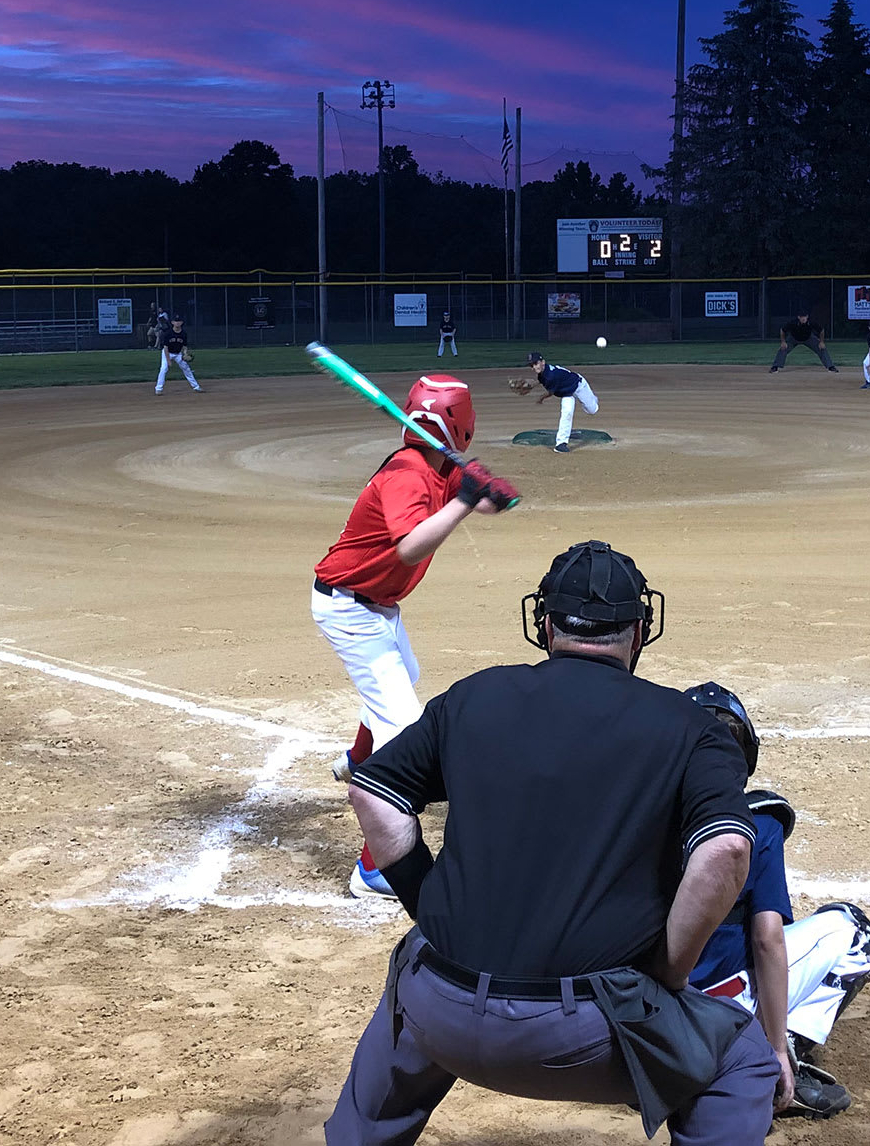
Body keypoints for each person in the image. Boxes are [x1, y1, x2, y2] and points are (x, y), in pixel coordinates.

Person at [329, 540, 781, 1144]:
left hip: (440, 1010)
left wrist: (429, 908)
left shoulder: (473, 696)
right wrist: (670, 973)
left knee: (411, 976)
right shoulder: (691, 728)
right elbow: (725, 850)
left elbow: (373, 792)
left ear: (543, 624)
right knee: (742, 1061)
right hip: (584, 1034)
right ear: (640, 630)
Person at [314, 375, 519, 897]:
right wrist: (464, 499)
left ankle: (358, 759)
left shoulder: (437, 463)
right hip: (350, 610)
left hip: (377, 607)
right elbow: (408, 547)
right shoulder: (408, 473)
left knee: (406, 678)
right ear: (462, 424)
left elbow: (479, 503)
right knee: (403, 730)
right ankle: (373, 868)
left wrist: (485, 491)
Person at [684, 683, 870, 1121]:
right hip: (723, 1006)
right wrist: (771, 1049)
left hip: (646, 1010)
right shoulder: (758, 825)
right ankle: (778, 1060)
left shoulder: (636, 816)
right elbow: (767, 941)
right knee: (853, 931)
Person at [525, 352, 598, 453]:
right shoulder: (543, 372)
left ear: (543, 362)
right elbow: (542, 380)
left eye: (536, 363)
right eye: (531, 365)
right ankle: (561, 443)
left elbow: (550, 392)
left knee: (592, 410)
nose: (534, 367)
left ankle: (592, 398)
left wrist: (540, 398)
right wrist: (532, 385)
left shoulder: (551, 375)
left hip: (578, 386)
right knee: (566, 413)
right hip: (567, 393)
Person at [770, 313, 838, 373]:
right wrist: (783, 342)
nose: (803, 318)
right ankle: (775, 367)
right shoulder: (793, 323)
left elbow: (821, 330)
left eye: (804, 316)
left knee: (822, 348)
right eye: (801, 317)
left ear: (807, 316)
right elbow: (782, 330)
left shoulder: (811, 322)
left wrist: (822, 342)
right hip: (793, 338)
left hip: (808, 338)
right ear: (798, 317)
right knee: (783, 348)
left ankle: (830, 367)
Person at [155, 317, 202, 394]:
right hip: (167, 353)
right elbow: (165, 348)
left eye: (179, 321)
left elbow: (184, 346)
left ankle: (196, 387)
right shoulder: (168, 333)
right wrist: (168, 360)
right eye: (175, 321)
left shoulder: (183, 334)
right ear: (172, 322)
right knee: (163, 369)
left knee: (186, 368)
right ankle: (158, 389)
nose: (177, 323)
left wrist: (185, 353)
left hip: (178, 354)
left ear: (182, 323)